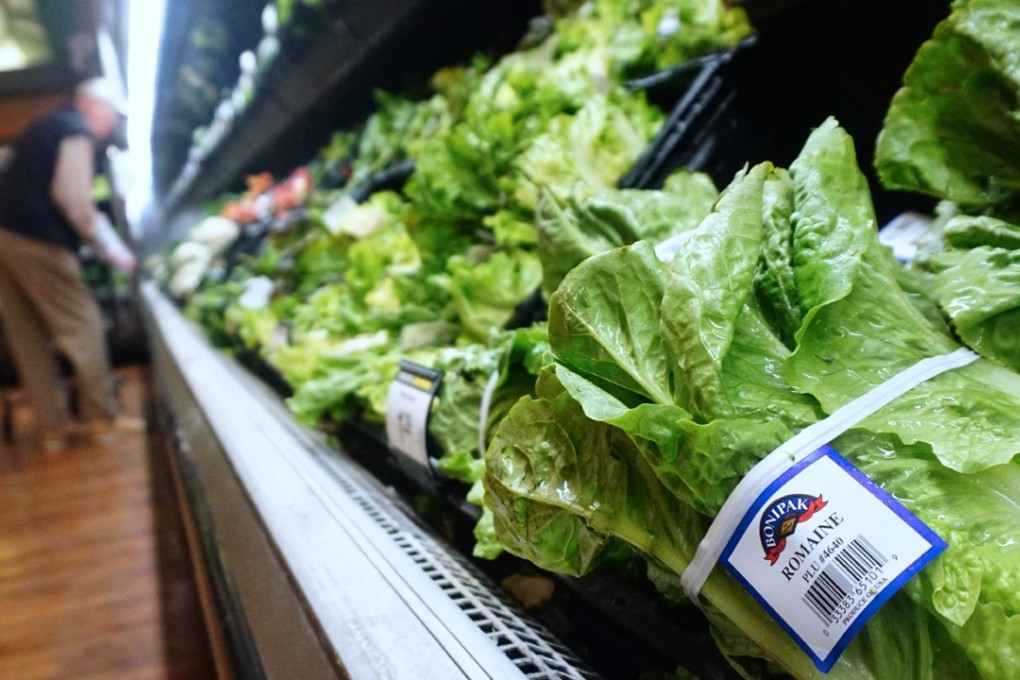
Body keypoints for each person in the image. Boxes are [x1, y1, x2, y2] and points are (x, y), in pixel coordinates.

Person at [0, 77, 141, 451]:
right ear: (94, 106)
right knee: (82, 323)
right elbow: (74, 200)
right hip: (38, 240)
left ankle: (53, 428)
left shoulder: (44, 126)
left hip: (4, 237)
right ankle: (102, 418)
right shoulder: (74, 130)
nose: (111, 125)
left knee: (27, 335)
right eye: (112, 115)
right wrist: (113, 251)